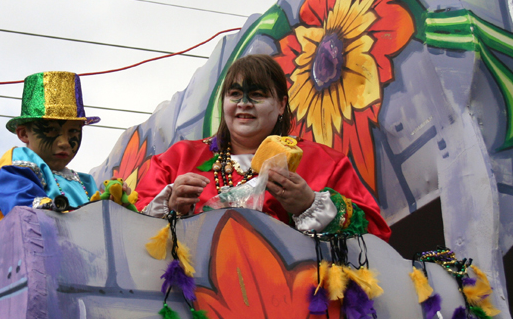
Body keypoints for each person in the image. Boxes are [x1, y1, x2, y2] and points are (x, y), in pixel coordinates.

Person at [135, 54, 391, 241]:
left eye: (257, 94)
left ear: (281, 105)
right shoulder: (177, 159)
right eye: (234, 94)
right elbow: (130, 232)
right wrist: (170, 206)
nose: (244, 103)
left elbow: (376, 235)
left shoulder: (324, 162)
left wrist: (309, 204)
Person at [0, 71, 100, 226]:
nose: (64, 142)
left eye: (73, 131)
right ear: (24, 133)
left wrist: (115, 202)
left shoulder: (86, 182)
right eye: (52, 130)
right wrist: (48, 207)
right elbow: (20, 201)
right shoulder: (20, 161)